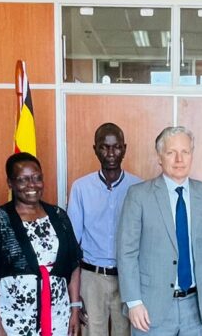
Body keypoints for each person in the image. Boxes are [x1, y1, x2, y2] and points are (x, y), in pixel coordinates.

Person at [117, 126, 202, 335]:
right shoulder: (139, 195)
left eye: (185, 152)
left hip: (195, 305)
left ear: (192, 155)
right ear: (159, 157)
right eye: (171, 152)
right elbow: (126, 252)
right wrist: (134, 302)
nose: (179, 159)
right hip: (150, 307)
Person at [0, 152, 82, 336]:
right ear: (10, 183)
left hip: (57, 315)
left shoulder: (58, 215)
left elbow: (73, 264)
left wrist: (74, 308)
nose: (31, 185)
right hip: (13, 320)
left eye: (36, 178)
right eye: (22, 180)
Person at [68, 123, 141, 336]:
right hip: (92, 278)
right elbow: (73, 243)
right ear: (95, 149)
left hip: (127, 277)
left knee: (126, 333)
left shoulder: (138, 188)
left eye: (116, 147)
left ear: (124, 149)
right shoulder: (81, 188)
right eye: (104, 147)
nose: (110, 153)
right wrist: (74, 296)